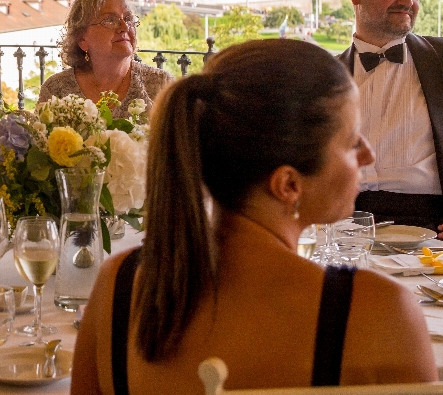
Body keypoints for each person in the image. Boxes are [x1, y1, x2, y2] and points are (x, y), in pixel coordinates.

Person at [72, 39, 435, 394]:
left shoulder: (118, 286)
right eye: (352, 140)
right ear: (288, 184)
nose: (368, 156)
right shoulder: (377, 315)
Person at [337, 0, 443, 233]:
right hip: (345, 226)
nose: (407, 1)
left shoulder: (441, 60)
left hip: (433, 229)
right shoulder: (326, 76)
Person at [39, 0, 173, 118]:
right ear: (82, 39)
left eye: (128, 18)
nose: (124, 27)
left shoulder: (161, 85)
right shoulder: (56, 90)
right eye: (109, 20)